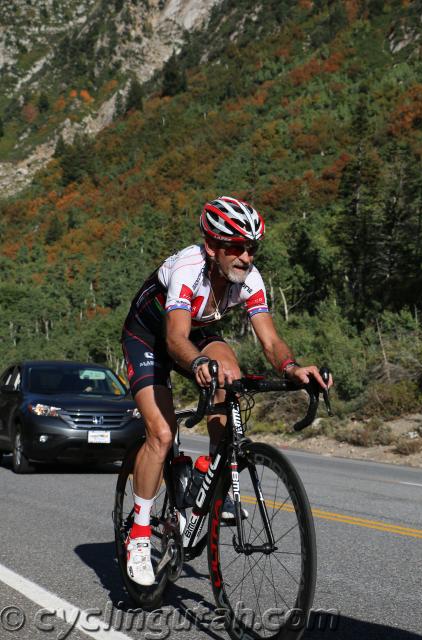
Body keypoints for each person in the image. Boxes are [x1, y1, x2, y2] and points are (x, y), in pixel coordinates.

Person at [121, 195, 332, 586]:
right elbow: (175, 338)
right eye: (236, 247)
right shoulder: (188, 268)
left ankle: (212, 472)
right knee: (162, 434)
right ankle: (139, 531)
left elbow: (271, 341)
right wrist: (198, 364)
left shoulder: (250, 278)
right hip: (149, 337)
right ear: (212, 246)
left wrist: (292, 367)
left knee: (229, 374)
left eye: (252, 248)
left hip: (196, 333)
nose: (246, 257)